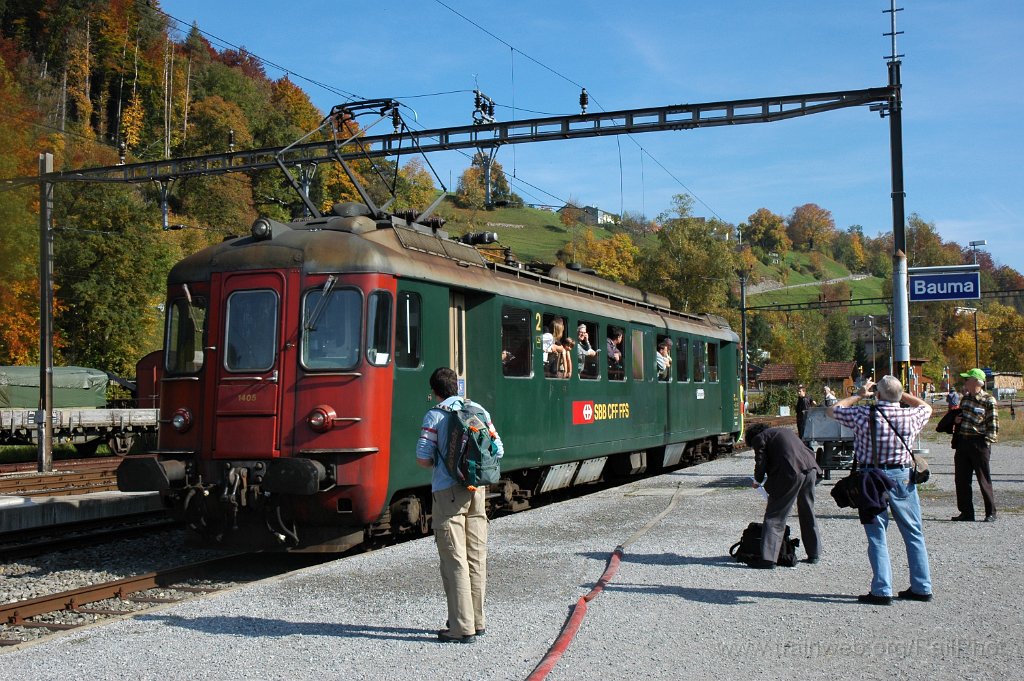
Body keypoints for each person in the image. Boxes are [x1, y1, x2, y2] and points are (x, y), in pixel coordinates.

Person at [826, 375, 933, 605]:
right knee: (913, 532)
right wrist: (899, 393)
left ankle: (882, 589)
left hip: (871, 478)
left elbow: (833, 410)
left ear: (878, 394)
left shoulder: (863, 414)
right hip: (903, 477)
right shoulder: (911, 416)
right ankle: (922, 586)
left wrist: (860, 394)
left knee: (877, 535)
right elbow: (926, 406)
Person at [416, 367, 505, 643]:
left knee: (455, 559)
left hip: (448, 492)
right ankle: (477, 621)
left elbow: (423, 457)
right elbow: (498, 449)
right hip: (477, 490)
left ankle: (460, 628)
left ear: (435, 391)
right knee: (476, 556)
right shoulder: (478, 410)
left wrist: (442, 463)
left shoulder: (435, 415)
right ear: (457, 386)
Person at [746, 424, 823, 568]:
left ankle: (768, 559)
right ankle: (814, 553)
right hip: (810, 469)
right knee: (807, 511)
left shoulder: (759, 438)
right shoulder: (784, 431)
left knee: (775, 515)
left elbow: (760, 462)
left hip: (791, 473)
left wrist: (757, 481)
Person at [951, 368, 999, 522]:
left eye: (967, 379)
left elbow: (993, 425)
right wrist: (957, 421)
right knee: (961, 480)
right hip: (963, 442)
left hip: (979, 443)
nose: (965, 382)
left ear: (976, 382)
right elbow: (962, 418)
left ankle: (990, 513)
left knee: (983, 479)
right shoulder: (965, 399)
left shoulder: (988, 400)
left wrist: (986, 442)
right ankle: (966, 513)